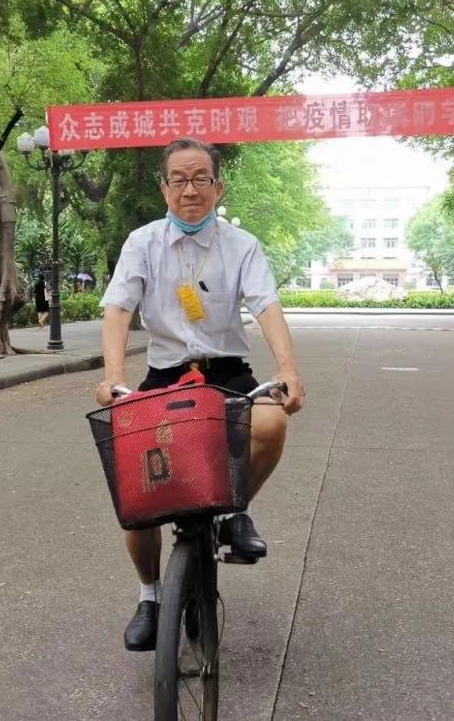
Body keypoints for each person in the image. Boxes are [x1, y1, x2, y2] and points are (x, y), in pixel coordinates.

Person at [95, 136, 305, 652]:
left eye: (201, 179)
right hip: (166, 376)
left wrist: (288, 370)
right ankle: (150, 596)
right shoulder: (142, 243)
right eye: (179, 179)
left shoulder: (242, 245)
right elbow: (118, 310)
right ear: (164, 188)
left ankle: (233, 511)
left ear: (218, 186)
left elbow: (266, 306)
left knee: (271, 422)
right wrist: (112, 376)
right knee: (135, 485)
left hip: (227, 373)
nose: (190, 190)